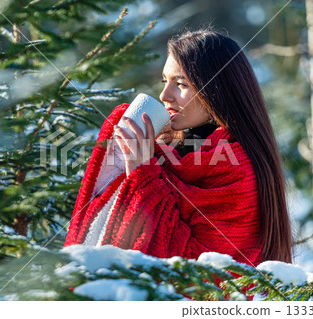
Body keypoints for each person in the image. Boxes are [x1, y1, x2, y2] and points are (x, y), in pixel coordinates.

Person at [64, 29, 293, 268]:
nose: (165, 95)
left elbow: (203, 273)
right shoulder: (159, 149)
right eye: (165, 81)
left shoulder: (235, 171)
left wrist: (143, 174)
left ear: (217, 90)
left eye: (180, 84)